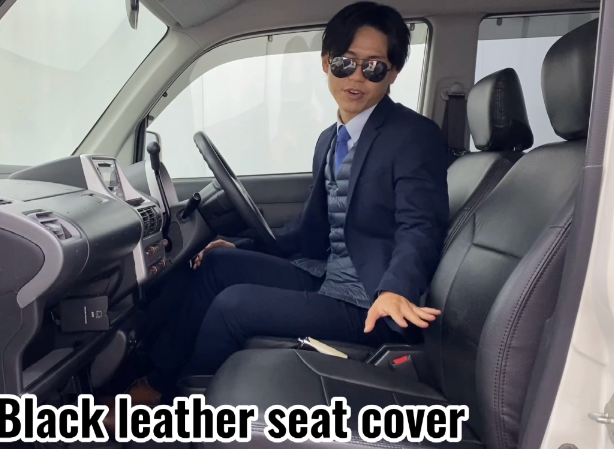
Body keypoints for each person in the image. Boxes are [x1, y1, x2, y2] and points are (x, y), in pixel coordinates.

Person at [107, 0, 449, 420]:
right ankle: (150, 376)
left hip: (368, 301)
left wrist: (396, 289)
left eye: (374, 67)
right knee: (215, 266)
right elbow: (309, 232)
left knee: (234, 306)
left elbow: (421, 225)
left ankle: (176, 406)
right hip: (325, 273)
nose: (357, 76)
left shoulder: (413, 136)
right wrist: (237, 246)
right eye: (345, 63)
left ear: (393, 73)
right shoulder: (329, 139)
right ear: (326, 63)